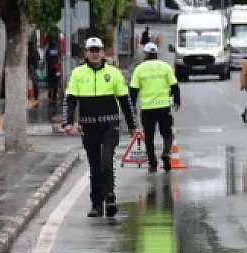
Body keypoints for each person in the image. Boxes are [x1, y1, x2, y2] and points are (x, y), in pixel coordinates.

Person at [64, 37, 137, 218]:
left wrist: (132, 124)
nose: (95, 54)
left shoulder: (114, 73)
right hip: (88, 127)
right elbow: (70, 100)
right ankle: (96, 203)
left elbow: (124, 100)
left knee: (106, 162)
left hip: (109, 125)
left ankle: (110, 197)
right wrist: (67, 122)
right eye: (92, 50)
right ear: (86, 53)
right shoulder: (78, 73)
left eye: (98, 50)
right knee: (95, 166)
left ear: (103, 52)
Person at [129, 42, 180, 173]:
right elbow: (174, 85)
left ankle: (152, 162)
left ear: (145, 54)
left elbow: (133, 90)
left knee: (149, 137)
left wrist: (132, 106)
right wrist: (177, 101)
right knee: (167, 133)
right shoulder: (165, 67)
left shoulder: (140, 69)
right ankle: (166, 153)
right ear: (156, 53)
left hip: (147, 108)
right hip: (163, 107)